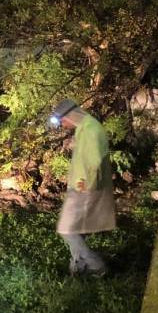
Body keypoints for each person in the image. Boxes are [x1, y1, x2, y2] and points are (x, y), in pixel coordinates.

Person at [49, 99, 116, 276]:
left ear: (71, 115)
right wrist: (75, 145)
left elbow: (95, 162)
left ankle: (96, 265)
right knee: (75, 230)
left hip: (84, 189)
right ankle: (78, 266)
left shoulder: (91, 130)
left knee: (67, 230)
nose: (62, 125)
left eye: (62, 121)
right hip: (80, 187)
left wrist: (85, 187)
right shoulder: (85, 128)